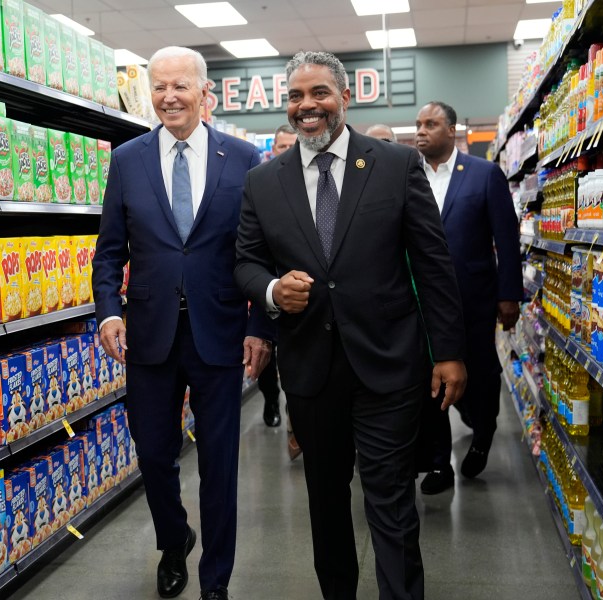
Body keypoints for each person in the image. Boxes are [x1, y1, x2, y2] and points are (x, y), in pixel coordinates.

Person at [235, 51, 468, 600]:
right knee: (326, 502)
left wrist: (449, 352)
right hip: (311, 373)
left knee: (389, 498)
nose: (306, 106)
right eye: (295, 96)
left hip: (387, 363)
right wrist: (271, 291)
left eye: (318, 93)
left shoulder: (394, 165)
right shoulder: (263, 182)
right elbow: (245, 261)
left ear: (345, 97)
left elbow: (432, 264)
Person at [92, 46, 273, 600]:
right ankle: (175, 539)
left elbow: (263, 250)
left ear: (204, 94)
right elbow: (108, 253)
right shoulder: (127, 160)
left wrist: (261, 327)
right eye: (159, 86)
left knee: (220, 463)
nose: (169, 96)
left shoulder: (242, 159)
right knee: (152, 450)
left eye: (180, 86)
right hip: (149, 334)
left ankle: (215, 579)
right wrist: (108, 313)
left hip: (220, 332)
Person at [414, 101, 522, 494]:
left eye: (431, 123)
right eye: (418, 124)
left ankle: (483, 432)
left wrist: (510, 294)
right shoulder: (410, 176)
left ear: (452, 130)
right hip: (424, 301)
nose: (421, 130)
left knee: (480, 371)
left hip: (474, 296)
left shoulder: (484, 174)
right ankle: (440, 464)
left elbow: (507, 239)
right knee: (431, 379)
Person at [261, 124, 301, 460]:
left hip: (304, 298)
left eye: (293, 144)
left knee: (297, 366)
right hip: (267, 293)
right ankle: (272, 401)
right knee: (269, 361)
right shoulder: (260, 181)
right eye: (281, 144)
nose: (286, 150)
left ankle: (296, 427)